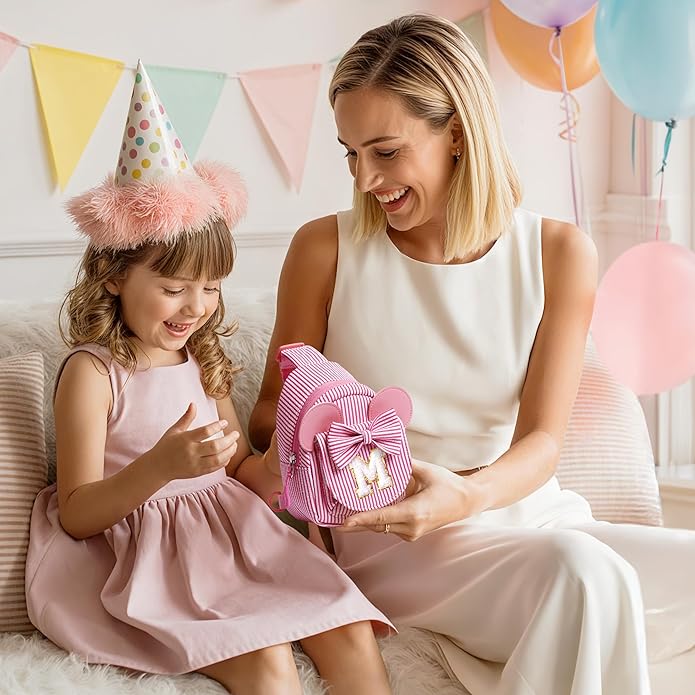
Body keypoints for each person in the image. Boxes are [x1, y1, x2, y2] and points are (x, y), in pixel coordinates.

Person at [249, 14, 695, 695]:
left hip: (522, 513)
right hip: (395, 539)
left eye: (385, 152)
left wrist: (468, 494)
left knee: (600, 570)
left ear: (456, 132)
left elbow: (542, 442)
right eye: (350, 154)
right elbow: (265, 415)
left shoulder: (558, 253)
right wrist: (323, 439)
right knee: (584, 575)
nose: (365, 179)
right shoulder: (325, 248)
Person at [24, 61, 393, 695]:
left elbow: (240, 467)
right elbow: (79, 514)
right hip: (148, 560)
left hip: (232, 539)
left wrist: (285, 464)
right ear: (114, 277)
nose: (196, 307)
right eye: (174, 288)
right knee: (267, 660)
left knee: (349, 627)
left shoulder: (201, 356)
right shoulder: (92, 373)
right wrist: (161, 467)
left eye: (212, 288)